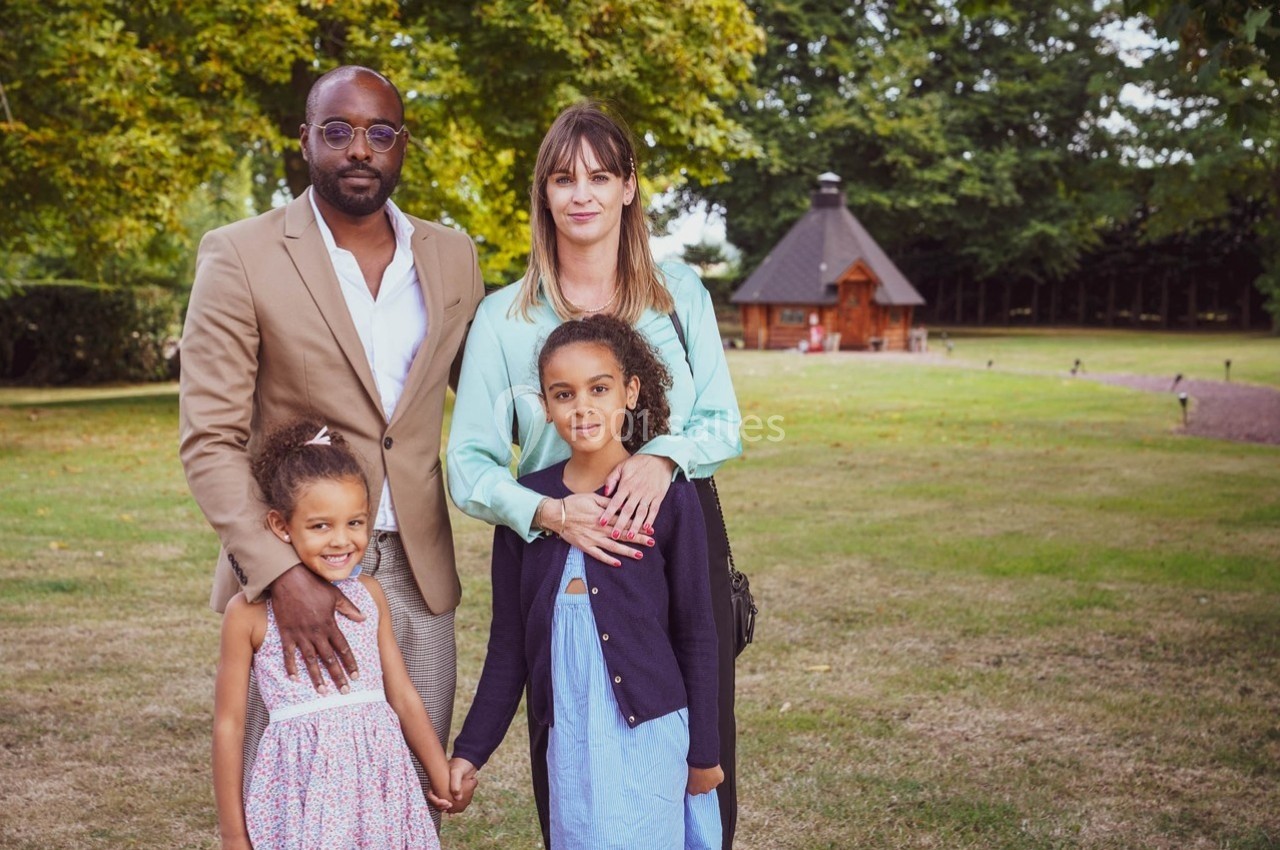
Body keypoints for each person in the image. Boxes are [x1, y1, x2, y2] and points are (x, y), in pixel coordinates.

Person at [180, 64, 484, 820]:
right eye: (338, 130)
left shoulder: (452, 256)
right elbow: (210, 439)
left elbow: (494, 401)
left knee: (405, 799)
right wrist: (281, 574)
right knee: (287, 796)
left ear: (401, 145)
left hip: (417, 574)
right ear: (305, 139)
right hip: (295, 568)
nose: (360, 148)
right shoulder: (240, 252)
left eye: (379, 133)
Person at [446, 101, 743, 847]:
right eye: (563, 178)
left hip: (672, 531)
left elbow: (723, 423)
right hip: (557, 546)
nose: (582, 193)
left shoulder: (679, 297)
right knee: (571, 744)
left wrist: (660, 456)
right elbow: (470, 461)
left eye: (600, 176)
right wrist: (547, 515)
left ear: (629, 187)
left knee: (696, 753)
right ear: (543, 194)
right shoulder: (503, 320)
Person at [450, 316, 722, 849]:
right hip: (569, 741)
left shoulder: (669, 497)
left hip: (652, 735)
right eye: (563, 394)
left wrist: (705, 752)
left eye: (600, 388)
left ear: (630, 391)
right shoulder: (527, 508)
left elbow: (696, 631)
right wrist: (470, 751)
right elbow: (509, 647)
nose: (583, 406)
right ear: (545, 408)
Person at [213, 418, 472, 849]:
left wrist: (440, 773)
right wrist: (233, 833)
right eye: (320, 526)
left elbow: (403, 696)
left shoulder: (370, 595)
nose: (342, 541)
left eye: (355, 522)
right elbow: (229, 725)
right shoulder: (249, 615)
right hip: (298, 791)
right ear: (281, 527)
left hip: (378, 784)